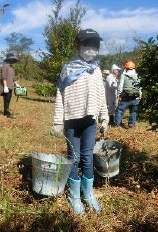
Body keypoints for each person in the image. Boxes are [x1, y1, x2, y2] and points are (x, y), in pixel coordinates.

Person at [50, 28, 109, 214]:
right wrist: (58, 121)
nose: (91, 49)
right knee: (73, 158)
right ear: (78, 46)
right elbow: (60, 94)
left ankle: (88, 194)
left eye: (95, 45)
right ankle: (74, 197)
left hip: (90, 121)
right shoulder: (68, 68)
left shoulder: (97, 70)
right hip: (71, 121)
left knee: (87, 157)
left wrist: (105, 117)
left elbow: (101, 95)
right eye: (87, 44)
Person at [114, 60, 142, 128]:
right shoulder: (137, 76)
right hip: (135, 97)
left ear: (126, 68)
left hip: (125, 97)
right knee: (133, 112)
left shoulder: (123, 75)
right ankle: (131, 125)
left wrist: (118, 95)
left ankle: (117, 125)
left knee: (120, 110)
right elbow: (140, 86)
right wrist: (140, 95)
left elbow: (120, 86)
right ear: (134, 68)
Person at [0, 53, 21, 118]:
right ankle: (6, 113)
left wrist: (17, 84)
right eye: (11, 59)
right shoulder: (5, 66)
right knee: (6, 100)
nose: (12, 61)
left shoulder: (12, 68)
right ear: (8, 59)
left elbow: (13, 78)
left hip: (11, 86)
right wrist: (5, 86)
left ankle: (7, 112)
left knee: (9, 99)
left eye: (13, 60)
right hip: (5, 86)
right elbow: (3, 77)